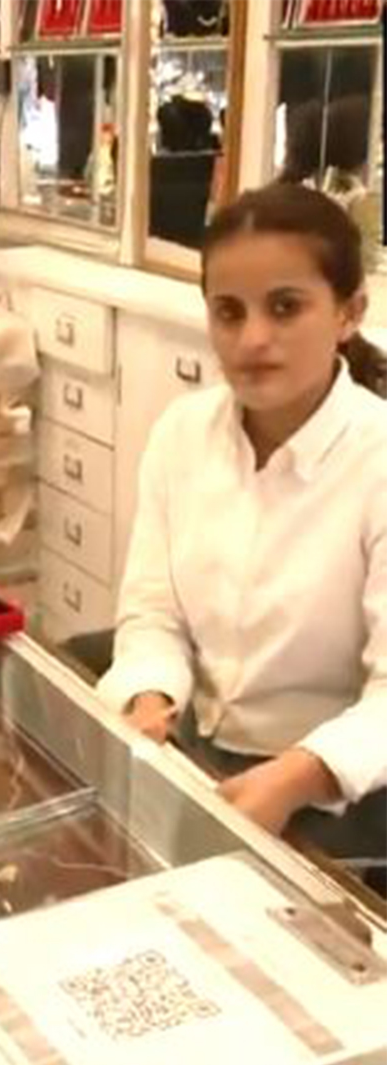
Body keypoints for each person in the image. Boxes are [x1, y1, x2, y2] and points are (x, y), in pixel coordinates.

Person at [99, 183, 386, 869]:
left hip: (348, 802)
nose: (252, 339)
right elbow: (151, 617)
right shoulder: (181, 434)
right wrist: (149, 695)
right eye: (228, 312)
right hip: (199, 764)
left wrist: (298, 776)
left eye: (286, 308)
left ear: (349, 313)